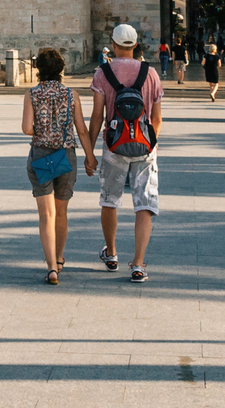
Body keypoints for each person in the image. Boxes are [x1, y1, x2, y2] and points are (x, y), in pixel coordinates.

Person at [87, 23, 162, 283]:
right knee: (144, 205)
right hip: (145, 146)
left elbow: (98, 116)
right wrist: (149, 144)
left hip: (114, 145)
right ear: (135, 44)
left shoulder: (102, 73)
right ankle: (138, 264)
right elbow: (157, 118)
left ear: (114, 43)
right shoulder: (150, 73)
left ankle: (112, 254)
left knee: (110, 200)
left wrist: (90, 151)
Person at [20, 47, 91, 284]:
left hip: (41, 155)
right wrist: (90, 157)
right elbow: (81, 129)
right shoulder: (72, 95)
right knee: (61, 212)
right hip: (65, 155)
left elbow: (27, 128)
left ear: (39, 70)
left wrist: (42, 128)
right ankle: (60, 259)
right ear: (61, 69)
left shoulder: (32, 94)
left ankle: (50, 267)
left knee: (46, 214)